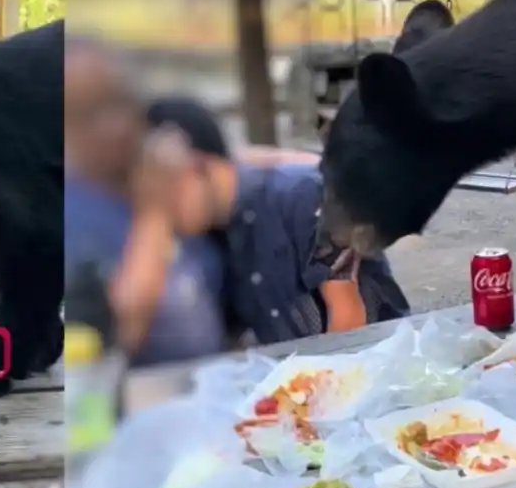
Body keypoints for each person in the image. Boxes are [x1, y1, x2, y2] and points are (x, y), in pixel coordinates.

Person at [63, 38, 319, 364]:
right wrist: (153, 215)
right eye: (88, 115)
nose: (114, 126)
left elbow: (226, 162)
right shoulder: (76, 210)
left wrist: (322, 170)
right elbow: (114, 340)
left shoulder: (152, 165)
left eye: (121, 104)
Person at [142, 97, 410, 347]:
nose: (159, 212)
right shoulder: (211, 235)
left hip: (377, 366)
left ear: (196, 166)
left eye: (161, 192)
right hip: (296, 380)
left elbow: (350, 324)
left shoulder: (307, 196)